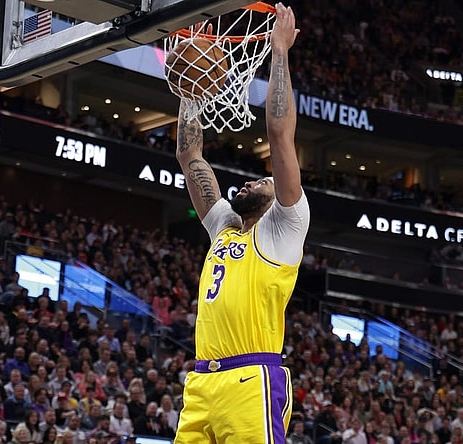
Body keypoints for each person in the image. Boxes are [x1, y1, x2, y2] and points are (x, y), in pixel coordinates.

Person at [172, 3, 309, 443]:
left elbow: (279, 136)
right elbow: (190, 156)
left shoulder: (284, 227)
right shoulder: (225, 227)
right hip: (200, 384)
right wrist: (191, 91)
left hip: (251, 381)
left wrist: (279, 51)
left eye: (263, 178)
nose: (252, 180)